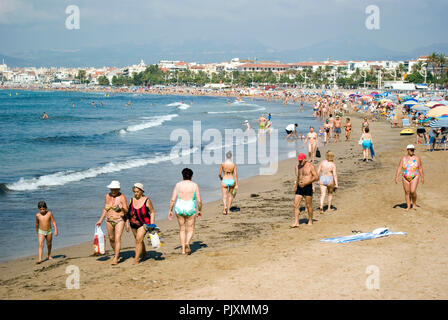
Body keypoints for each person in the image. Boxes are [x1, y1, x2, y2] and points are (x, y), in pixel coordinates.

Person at [169, 168, 202, 255]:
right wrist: (200, 210)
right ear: (191, 175)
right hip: (190, 207)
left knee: (182, 229)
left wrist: (170, 210)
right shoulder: (194, 185)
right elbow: (199, 200)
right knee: (190, 228)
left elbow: (173, 199)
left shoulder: (178, 185)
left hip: (179, 207)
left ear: (182, 175)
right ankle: (187, 242)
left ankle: (183, 249)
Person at [96, 180, 129, 265]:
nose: (113, 191)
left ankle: (116, 257)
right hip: (108, 220)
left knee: (117, 238)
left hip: (119, 220)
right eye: (112, 189)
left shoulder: (122, 197)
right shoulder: (107, 196)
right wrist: (100, 220)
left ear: (118, 189)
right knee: (111, 238)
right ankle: (116, 252)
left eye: (115, 189)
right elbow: (105, 209)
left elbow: (127, 211)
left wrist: (122, 208)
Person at [127, 183, 155, 265]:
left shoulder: (147, 200)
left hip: (144, 223)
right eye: (134, 192)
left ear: (142, 191)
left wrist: (152, 224)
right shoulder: (131, 200)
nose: (136, 194)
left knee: (138, 240)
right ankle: (144, 252)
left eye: (137, 192)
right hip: (133, 223)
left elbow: (152, 212)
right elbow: (128, 213)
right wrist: (127, 223)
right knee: (138, 240)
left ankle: (136, 259)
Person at [291, 153, 319, 228]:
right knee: (296, 205)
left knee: (308, 205)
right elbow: (298, 177)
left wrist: (307, 182)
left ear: (305, 159)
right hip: (299, 187)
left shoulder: (310, 166)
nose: (299, 162)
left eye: (301, 160)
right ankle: (296, 222)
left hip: (308, 187)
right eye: (299, 161)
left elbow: (316, 177)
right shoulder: (297, 167)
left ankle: (310, 220)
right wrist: (296, 186)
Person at [395, 145, 424, 211]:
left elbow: (420, 168)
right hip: (405, 177)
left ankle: (414, 204)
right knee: (407, 192)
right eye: (410, 150)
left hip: (414, 176)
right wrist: (396, 177)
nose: (412, 151)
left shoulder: (417, 158)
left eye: (413, 150)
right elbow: (399, 167)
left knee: (413, 191)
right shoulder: (403, 158)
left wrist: (422, 177)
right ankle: (408, 206)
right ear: (407, 150)